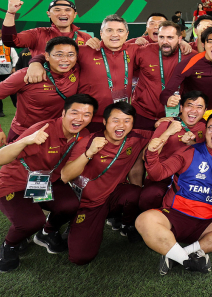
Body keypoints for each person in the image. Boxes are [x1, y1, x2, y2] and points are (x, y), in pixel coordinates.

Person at [0, 94, 98, 273]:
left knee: (71, 205)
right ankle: (9, 246)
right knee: (31, 222)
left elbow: (69, 171)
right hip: (13, 185)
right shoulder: (43, 130)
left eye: (87, 115)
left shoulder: (84, 135)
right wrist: (26, 140)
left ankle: (47, 232)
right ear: (63, 113)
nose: (80, 118)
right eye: (74, 112)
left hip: (46, 181)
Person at [136, 112, 212, 275]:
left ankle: (176, 255)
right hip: (177, 214)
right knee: (144, 220)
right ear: (206, 130)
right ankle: (188, 261)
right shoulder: (188, 151)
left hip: (208, 221)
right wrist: (151, 153)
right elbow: (157, 174)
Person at [61, 102, 152, 264]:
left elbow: (161, 133)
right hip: (89, 203)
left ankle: (128, 224)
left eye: (127, 120)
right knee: (80, 257)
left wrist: (165, 126)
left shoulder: (136, 137)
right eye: (115, 120)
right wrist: (89, 153)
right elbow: (65, 176)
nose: (121, 125)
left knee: (136, 193)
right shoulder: (89, 141)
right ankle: (74, 223)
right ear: (104, 122)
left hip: (113, 196)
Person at [25, 14, 138, 133]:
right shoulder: (85, 50)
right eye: (109, 30)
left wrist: (142, 40)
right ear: (101, 33)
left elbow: (151, 47)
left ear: (127, 34)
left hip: (120, 117)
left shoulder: (135, 50)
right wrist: (35, 63)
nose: (115, 34)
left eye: (120, 30)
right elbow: (55, 55)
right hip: (88, 118)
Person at [0, 37, 79, 146]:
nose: (65, 59)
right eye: (59, 54)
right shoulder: (26, 75)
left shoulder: (77, 71)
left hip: (57, 134)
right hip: (25, 135)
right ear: (47, 56)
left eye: (70, 55)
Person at [137, 91, 208, 213]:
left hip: (188, 177)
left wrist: (192, 144)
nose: (194, 110)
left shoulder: (205, 126)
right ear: (181, 108)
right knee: (151, 195)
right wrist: (167, 133)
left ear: (205, 110)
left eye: (199, 107)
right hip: (162, 174)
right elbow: (145, 156)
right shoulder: (167, 123)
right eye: (190, 105)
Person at [131, 21, 186, 130]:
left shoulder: (189, 55)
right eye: (161, 37)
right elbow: (121, 49)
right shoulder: (144, 51)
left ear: (179, 39)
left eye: (170, 37)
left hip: (174, 115)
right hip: (142, 114)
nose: (165, 41)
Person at [2, 0, 92, 57]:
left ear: (75, 14)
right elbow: (10, 41)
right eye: (57, 10)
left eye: (67, 10)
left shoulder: (85, 37)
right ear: (48, 14)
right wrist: (11, 13)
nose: (63, 13)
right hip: (44, 81)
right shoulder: (37, 34)